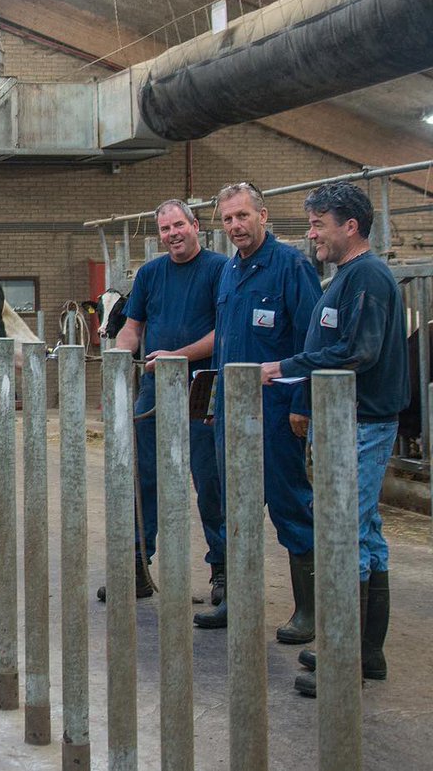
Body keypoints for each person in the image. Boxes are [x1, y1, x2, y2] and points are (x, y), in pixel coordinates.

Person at [259, 182, 407, 697]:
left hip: (361, 421)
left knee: (343, 533)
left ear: (351, 226)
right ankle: (364, 654)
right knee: (364, 531)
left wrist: (285, 367)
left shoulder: (367, 275)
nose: (311, 233)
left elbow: (356, 351)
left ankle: (344, 663)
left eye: (319, 223)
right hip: (346, 419)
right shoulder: (345, 277)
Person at [194, 182, 322, 642]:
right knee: (237, 511)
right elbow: (224, 344)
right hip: (232, 413)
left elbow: (313, 344)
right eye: (228, 219)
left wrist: (304, 405)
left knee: (291, 507)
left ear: (263, 216)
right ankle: (238, 603)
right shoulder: (229, 272)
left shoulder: (292, 267)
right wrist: (211, 402)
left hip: (277, 416)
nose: (236, 226)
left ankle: (308, 612)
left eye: (243, 216)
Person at [96, 199, 226, 605]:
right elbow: (132, 328)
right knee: (141, 474)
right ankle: (137, 565)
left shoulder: (220, 270)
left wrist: (177, 356)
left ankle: (222, 570)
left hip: (202, 384)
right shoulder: (151, 273)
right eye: (165, 229)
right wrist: (119, 359)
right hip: (154, 387)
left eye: (178, 226)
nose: (172, 234)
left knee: (210, 479)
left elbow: (224, 333)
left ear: (195, 226)